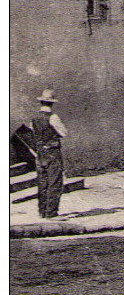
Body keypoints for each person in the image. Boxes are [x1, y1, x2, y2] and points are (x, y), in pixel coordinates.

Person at [32, 89, 68, 218]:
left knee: (43, 182)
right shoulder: (53, 117)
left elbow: (34, 133)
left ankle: (42, 211)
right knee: (55, 182)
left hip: (40, 153)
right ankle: (52, 213)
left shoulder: (35, 118)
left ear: (41, 102)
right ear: (52, 103)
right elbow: (64, 133)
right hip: (52, 152)